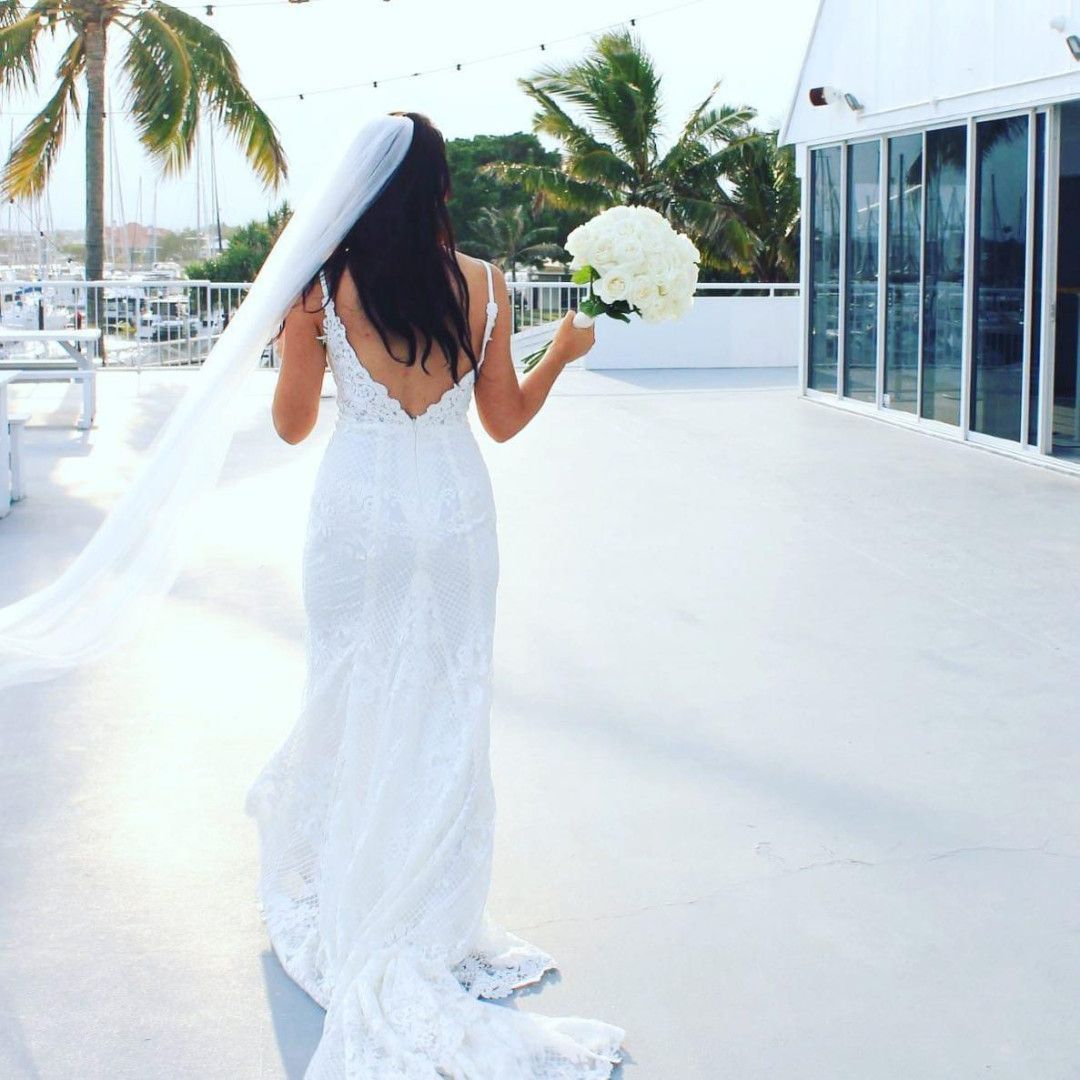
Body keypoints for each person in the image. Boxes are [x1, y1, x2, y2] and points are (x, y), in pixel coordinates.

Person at [243, 111, 627, 1078]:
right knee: (447, 701)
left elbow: (293, 428)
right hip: (455, 508)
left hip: (360, 513)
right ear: (442, 187)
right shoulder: (488, 285)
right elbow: (503, 420)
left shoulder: (323, 288)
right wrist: (560, 357)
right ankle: (430, 906)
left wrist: (300, 343)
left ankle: (353, 884)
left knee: (350, 686)